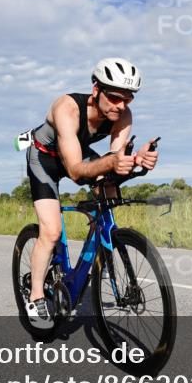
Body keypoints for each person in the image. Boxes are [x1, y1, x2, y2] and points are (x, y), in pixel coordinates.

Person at [23, 57, 159, 328]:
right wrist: (113, 162)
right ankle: (36, 296)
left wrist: (135, 161)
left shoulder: (123, 115)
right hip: (46, 158)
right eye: (115, 98)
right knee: (51, 232)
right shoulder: (67, 108)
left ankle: (101, 251)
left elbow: (114, 160)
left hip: (76, 153)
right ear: (96, 90)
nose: (121, 106)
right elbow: (75, 171)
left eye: (128, 100)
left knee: (110, 190)